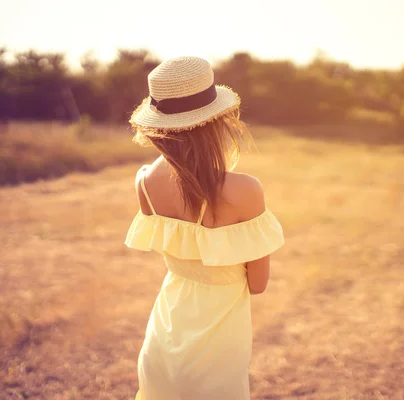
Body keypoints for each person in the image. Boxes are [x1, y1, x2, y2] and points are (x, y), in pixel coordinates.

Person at [125, 56, 285, 400]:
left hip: (166, 330)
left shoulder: (145, 183)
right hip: (217, 340)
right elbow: (257, 284)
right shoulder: (244, 190)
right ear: (218, 121)